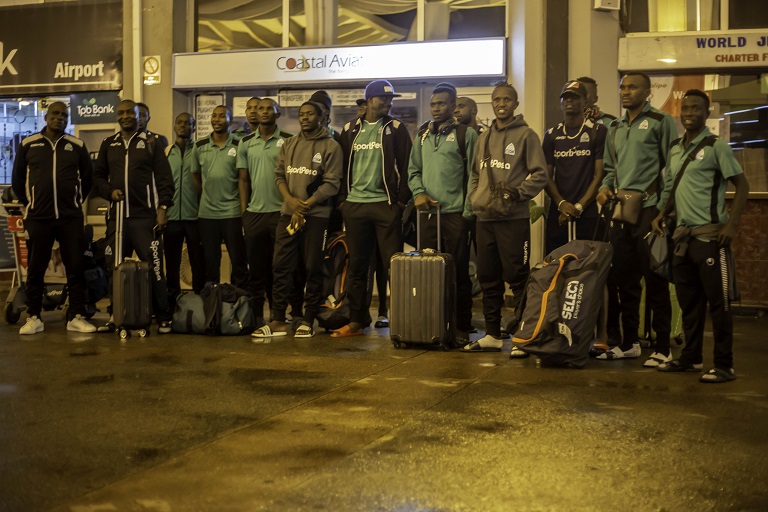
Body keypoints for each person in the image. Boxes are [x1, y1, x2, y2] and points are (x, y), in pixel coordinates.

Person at [654, 89, 749, 383]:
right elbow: (671, 188)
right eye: (686, 108)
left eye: (697, 108)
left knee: (719, 304)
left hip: (710, 238)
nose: (690, 112)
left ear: (707, 114)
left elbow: (742, 186)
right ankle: (692, 359)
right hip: (682, 240)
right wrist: (660, 214)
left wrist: (731, 227)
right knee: (689, 303)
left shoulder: (716, 146)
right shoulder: (674, 148)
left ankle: (724, 365)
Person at [595, 72, 677, 364]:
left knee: (655, 279)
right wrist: (604, 189)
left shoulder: (660, 121)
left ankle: (664, 348)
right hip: (619, 211)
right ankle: (630, 342)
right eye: (622, 87)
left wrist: (663, 210)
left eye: (633, 87)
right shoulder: (614, 126)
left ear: (647, 92)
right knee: (623, 279)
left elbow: (674, 167)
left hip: (650, 210)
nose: (625, 91)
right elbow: (608, 170)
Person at [461, 82, 548, 353]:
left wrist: (517, 194)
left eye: (507, 100)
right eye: (497, 100)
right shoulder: (484, 137)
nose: (501, 104)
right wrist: (476, 197)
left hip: (514, 219)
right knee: (488, 276)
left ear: (515, 103)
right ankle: (492, 335)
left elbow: (541, 175)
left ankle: (522, 337)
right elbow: (475, 174)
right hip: (485, 218)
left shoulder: (527, 136)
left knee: (517, 276)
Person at [251, 100, 342, 339]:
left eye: (310, 114)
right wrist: (290, 202)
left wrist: (306, 205)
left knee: (313, 267)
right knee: (281, 266)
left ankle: (308, 318)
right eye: (301, 114)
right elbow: (279, 175)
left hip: (317, 217)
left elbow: (332, 184)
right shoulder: (289, 144)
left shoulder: (331, 146)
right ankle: (279, 319)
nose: (304, 118)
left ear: (322, 117)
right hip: (288, 215)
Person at [332, 79, 413, 337]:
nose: (388, 103)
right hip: (355, 206)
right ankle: (357, 320)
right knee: (357, 265)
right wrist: (344, 201)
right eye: (383, 99)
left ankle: (401, 322)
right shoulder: (349, 129)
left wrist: (399, 203)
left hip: (385, 207)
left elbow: (408, 167)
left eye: (390, 100)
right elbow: (341, 167)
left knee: (394, 267)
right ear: (369, 101)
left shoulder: (396, 128)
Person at [11, 101, 96, 334]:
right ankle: (34, 317)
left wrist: (75, 201)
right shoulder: (29, 145)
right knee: (36, 268)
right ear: (46, 117)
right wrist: (32, 204)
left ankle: (76, 316)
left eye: (64, 115)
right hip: (38, 218)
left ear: (67, 119)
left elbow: (88, 180)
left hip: (70, 218)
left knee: (75, 267)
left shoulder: (77, 146)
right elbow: (18, 181)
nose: (59, 118)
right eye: (55, 114)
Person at [92, 99, 175, 333]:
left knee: (156, 269)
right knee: (114, 268)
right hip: (117, 220)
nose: (126, 116)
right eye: (121, 112)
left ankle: (163, 316)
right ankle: (116, 314)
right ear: (117, 116)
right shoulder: (109, 144)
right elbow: (97, 178)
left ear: (139, 115)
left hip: (145, 220)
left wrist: (163, 209)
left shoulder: (151, 142)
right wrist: (110, 192)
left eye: (130, 112)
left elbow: (164, 179)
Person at [408, 82, 478, 340]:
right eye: (433, 104)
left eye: (443, 104)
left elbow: (475, 174)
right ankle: (430, 324)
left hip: (455, 215)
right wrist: (418, 193)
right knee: (427, 272)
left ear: (453, 105)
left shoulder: (466, 135)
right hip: (427, 215)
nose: (437, 108)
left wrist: (467, 213)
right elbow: (413, 170)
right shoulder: (423, 134)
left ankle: (461, 326)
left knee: (458, 271)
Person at [237, 98, 295, 326]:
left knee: (279, 267)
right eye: (259, 108)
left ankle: (278, 314)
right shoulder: (245, 143)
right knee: (256, 269)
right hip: (254, 214)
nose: (263, 112)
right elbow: (242, 180)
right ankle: (256, 315)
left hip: (281, 214)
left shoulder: (289, 141)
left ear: (277, 113)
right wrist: (245, 213)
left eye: (268, 108)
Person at [542, 80, 607, 254]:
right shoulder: (551, 135)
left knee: (589, 266)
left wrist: (579, 207)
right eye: (566, 97)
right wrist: (561, 204)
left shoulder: (598, 131)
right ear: (561, 103)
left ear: (585, 101)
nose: (569, 101)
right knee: (556, 265)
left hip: (589, 213)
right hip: (559, 213)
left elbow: (599, 175)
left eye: (575, 97)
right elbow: (546, 176)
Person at [191, 105, 248, 289]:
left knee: (238, 262)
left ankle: (239, 302)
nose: (216, 119)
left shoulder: (239, 145)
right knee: (210, 264)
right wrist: (208, 196)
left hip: (232, 213)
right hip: (207, 214)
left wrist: (242, 209)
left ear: (230, 120)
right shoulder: (199, 146)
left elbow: (243, 179)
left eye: (222, 116)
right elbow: (196, 178)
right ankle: (212, 306)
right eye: (214, 116)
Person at [164, 112, 205, 302]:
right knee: (172, 262)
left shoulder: (199, 150)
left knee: (197, 261)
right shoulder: (166, 152)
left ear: (194, 128)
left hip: (194, 217)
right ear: (174, 126)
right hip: (171, 217)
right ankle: (172, 300)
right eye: (179, 123)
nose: (182, 126)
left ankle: (199, 298)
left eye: (187, 123)